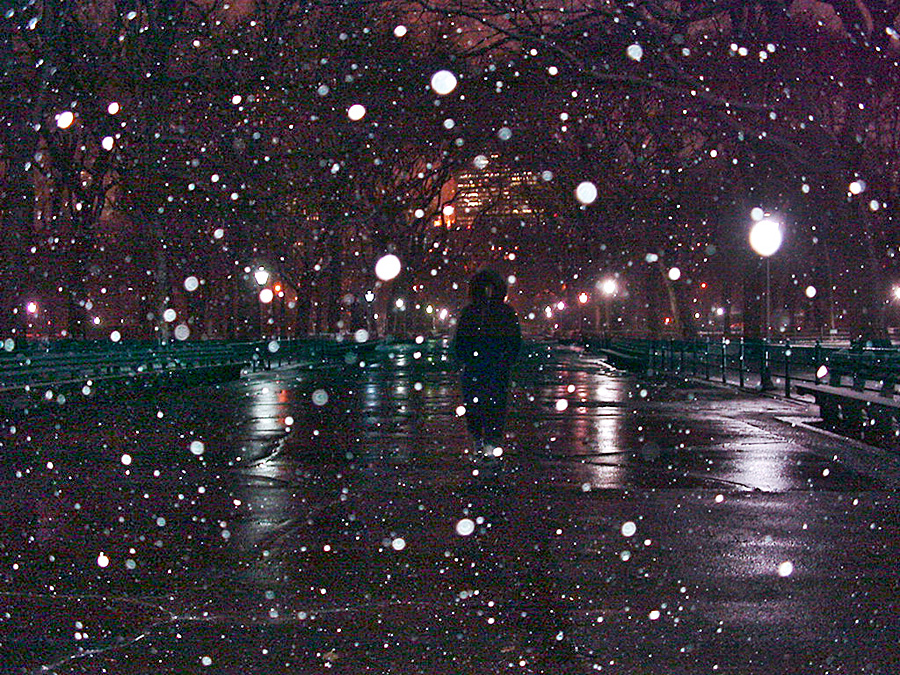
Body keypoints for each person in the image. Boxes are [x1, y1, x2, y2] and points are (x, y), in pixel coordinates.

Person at [453, 268, 522, 458]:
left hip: (478, 368)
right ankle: (489, 443)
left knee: (477, 406)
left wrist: (467, 359)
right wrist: (505, 360)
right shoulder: (505, 312)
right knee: (494, 406)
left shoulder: (471, 312)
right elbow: (515, 342)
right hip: (494, 367)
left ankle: (481, 442)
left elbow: (460, 342)